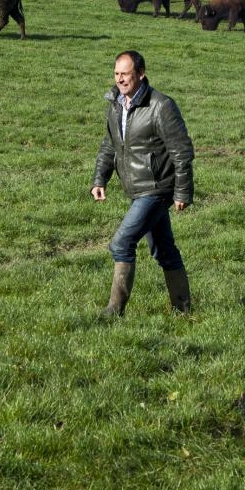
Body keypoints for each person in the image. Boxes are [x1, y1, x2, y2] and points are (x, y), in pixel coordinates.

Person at [91, 51, 194, 317]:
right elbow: (110, 145)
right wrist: (99, 178)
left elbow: (181, 151)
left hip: (157, 188)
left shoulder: (161, 106)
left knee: (122, 243)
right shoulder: (116, 103)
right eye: (116, 74)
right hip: (136, 189)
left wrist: (182, 192)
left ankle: (114, 310)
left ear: (140, 73)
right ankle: (183, 308)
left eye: (125, 74)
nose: (120, 79)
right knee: (164, 249)